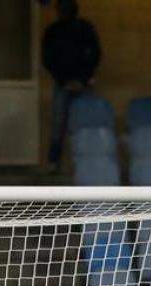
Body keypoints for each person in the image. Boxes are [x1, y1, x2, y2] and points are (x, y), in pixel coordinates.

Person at [42, 0, 101, 172]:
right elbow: (49, 60)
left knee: (87, 124)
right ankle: (54, 162)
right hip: (63, 84)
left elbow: (95, 54)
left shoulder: (85, 28)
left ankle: (87, 161)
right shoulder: (52, 32)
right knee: (58, 125)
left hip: (81, 83)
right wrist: (65, 81)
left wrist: (82, 80)